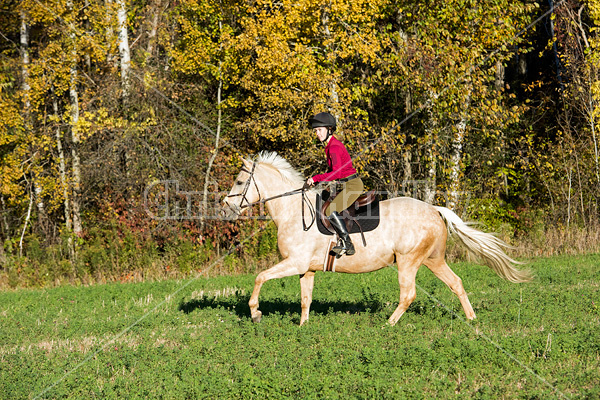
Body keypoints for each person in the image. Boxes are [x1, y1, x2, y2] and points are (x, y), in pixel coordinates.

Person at [305, 112, 364, 256]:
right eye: (316, 131)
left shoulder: (334, 148)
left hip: (353, 185)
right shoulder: (330, 146)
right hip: (346, 185)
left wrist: (316, 178)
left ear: (329, 129)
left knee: (330, 210)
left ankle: (347, 243)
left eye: (320, 130)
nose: (317, 133)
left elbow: (336, 173)